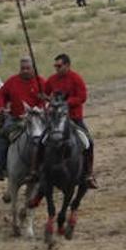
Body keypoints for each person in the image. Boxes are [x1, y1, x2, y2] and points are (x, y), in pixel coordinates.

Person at [43, 54, 97, 188]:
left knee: (88, 142)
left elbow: (82, 97)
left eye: (59, 66)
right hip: (55, 120)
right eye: (55, 66)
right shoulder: (51, 79)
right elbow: (44, 93)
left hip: (73, 118)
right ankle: (37, 170)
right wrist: (44, 98)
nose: (56, 68)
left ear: (67, 65)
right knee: (40, 140)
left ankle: (88, 173)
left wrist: (66, 103)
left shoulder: (76, 78)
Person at [0, 57, 45, 181]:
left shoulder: (41, 82)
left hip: (36, 119)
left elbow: (47, 98)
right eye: (22, 68)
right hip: (15, 118)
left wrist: (39, 108)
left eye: (27, 68)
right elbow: (0, 94)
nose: (25, 71)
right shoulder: (12, 81)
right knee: (2, 135)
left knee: (50, 137)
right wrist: (1, 107)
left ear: (33, 68)